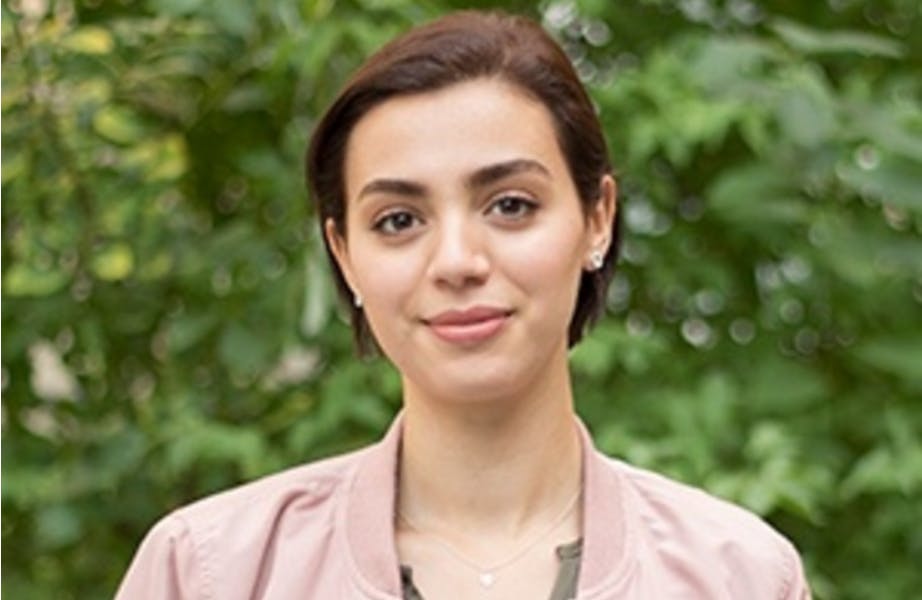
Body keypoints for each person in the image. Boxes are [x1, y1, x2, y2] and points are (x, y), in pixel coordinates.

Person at [116, 10, 811, 599]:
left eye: (510, 205)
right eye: (398, 220)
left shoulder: (737, 576)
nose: (456, 262)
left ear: (597, 218)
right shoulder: (211, 572)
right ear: (344, 253)